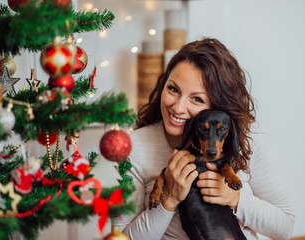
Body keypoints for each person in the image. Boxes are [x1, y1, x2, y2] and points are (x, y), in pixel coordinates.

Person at [116, 38, 295, 239]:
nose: (178, 107)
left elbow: (285, 227)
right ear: (163, 85)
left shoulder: (248, 142)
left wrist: (235, 199)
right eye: (173, 89)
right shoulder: (133, 148)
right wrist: (169, 200)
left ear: (219, 105)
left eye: (197, 99)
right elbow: (121, 237)